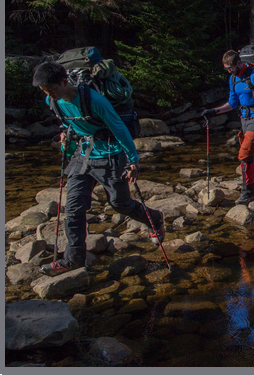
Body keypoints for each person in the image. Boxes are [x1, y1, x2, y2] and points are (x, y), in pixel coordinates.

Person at [32, 62, 165, 276]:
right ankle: (73, 260)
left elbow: (119, 128)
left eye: (52, 90)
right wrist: (66, 135)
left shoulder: (95, 100)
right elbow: (68, 122)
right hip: (82, 155)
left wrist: (133, 160)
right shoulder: (53, 101)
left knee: (119, 203)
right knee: (74, 209)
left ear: (65, 82)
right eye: (45, 91)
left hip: (110, 154)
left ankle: (155, 218)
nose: (49, 95)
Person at [200, 50, 254, 204]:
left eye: (230, 68)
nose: (229, 71)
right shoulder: (233, 79)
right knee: (253, 155)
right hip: (244, 120)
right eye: (226, 69)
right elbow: (232, 103)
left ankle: (247, 192)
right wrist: (214, 111)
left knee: (244, 156)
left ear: (238, 63)